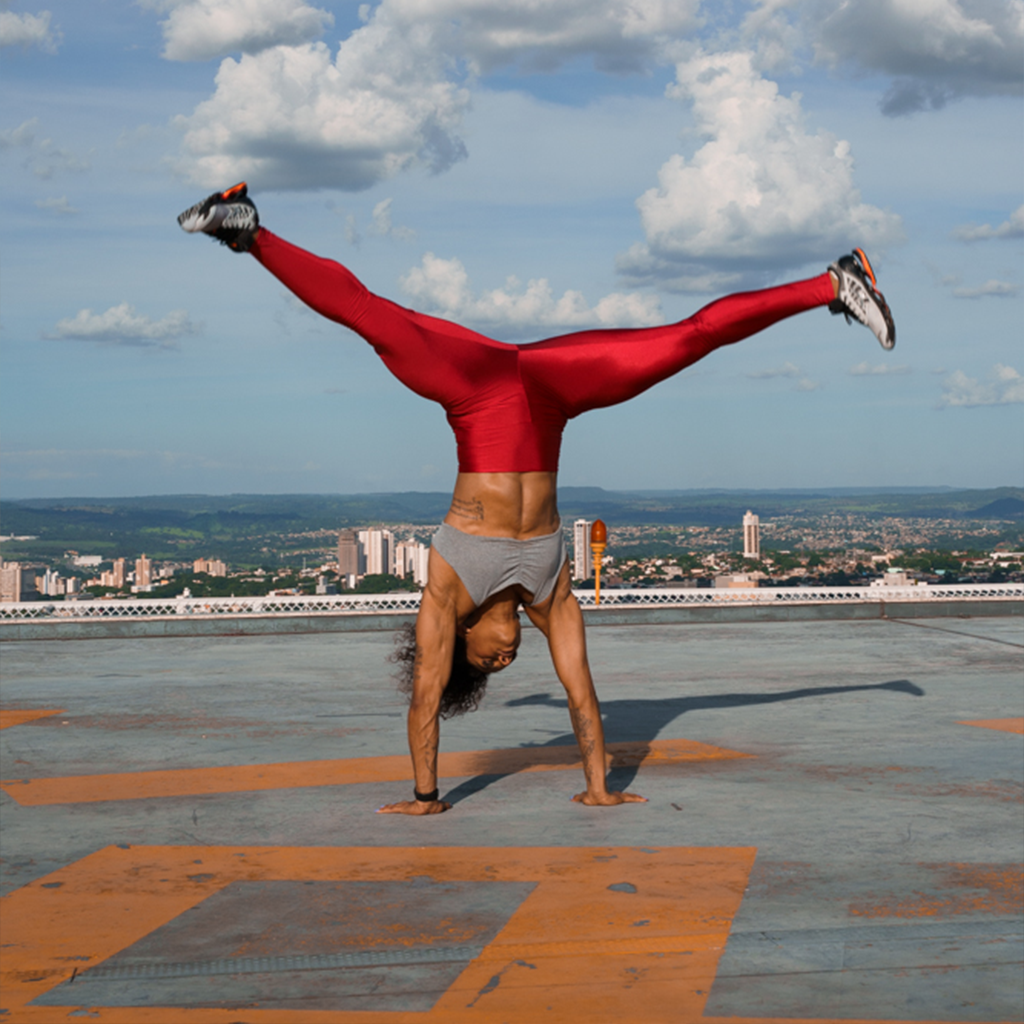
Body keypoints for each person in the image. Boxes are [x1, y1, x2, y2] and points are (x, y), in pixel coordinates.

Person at [178, 184, 895, 815]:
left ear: (465, 642)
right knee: (686, 342)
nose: (505, 660)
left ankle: (248, 230)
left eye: (487, 664)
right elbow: (584, 696)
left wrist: (427, 798)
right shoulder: (551, 596)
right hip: (553, 394)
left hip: (473, 386)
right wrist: (598, 786)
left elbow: (425, 701)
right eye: (504, 668)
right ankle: (833, 286)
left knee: (368, 315)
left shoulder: (445, 589)